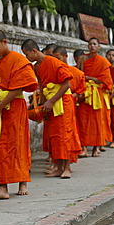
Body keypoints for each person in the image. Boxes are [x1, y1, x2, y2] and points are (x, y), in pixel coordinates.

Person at [0, 30, 37, 201]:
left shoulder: (18, 60)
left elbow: (20, 86)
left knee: (19, 142)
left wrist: (1, 104)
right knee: (0, 145)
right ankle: (3, 187)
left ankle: (23, 181)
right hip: (0, 105)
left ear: (5, 42)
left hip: (14, 105)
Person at [22, 39, 80, 178]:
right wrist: (41, 105)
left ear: (34, 51)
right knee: (54, 136)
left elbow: (67, 85)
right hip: (50, 102)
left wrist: (52, 101)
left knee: (64, 135)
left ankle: (66, 168)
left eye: (27, 54)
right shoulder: (37, 67)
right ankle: (58, 167)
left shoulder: (53, 62)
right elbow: (42, 86)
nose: (27, 58)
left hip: (62, 102)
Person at [77, 37, 113, 157]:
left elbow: (106, 81)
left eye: (94, 44)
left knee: (98, 121)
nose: (92, 46)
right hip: (85, 92)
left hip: (97, 93)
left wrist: (88, 78)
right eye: (90, 44)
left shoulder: (103, 62)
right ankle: (84, 148)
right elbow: (79, 74)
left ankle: (96, 147)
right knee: (83, 120)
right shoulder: (82, 58)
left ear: (99, 47)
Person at [52, 46, 84, 164]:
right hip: (55, 104)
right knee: (55, 135)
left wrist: (71, 96)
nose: (57, 61)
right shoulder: (53, 70)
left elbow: (80, 90)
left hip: (67, 103)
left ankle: (67, 166)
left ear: (66, 56)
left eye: (58, 58)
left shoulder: (75, 72)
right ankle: (57, 164)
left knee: (67, 134)